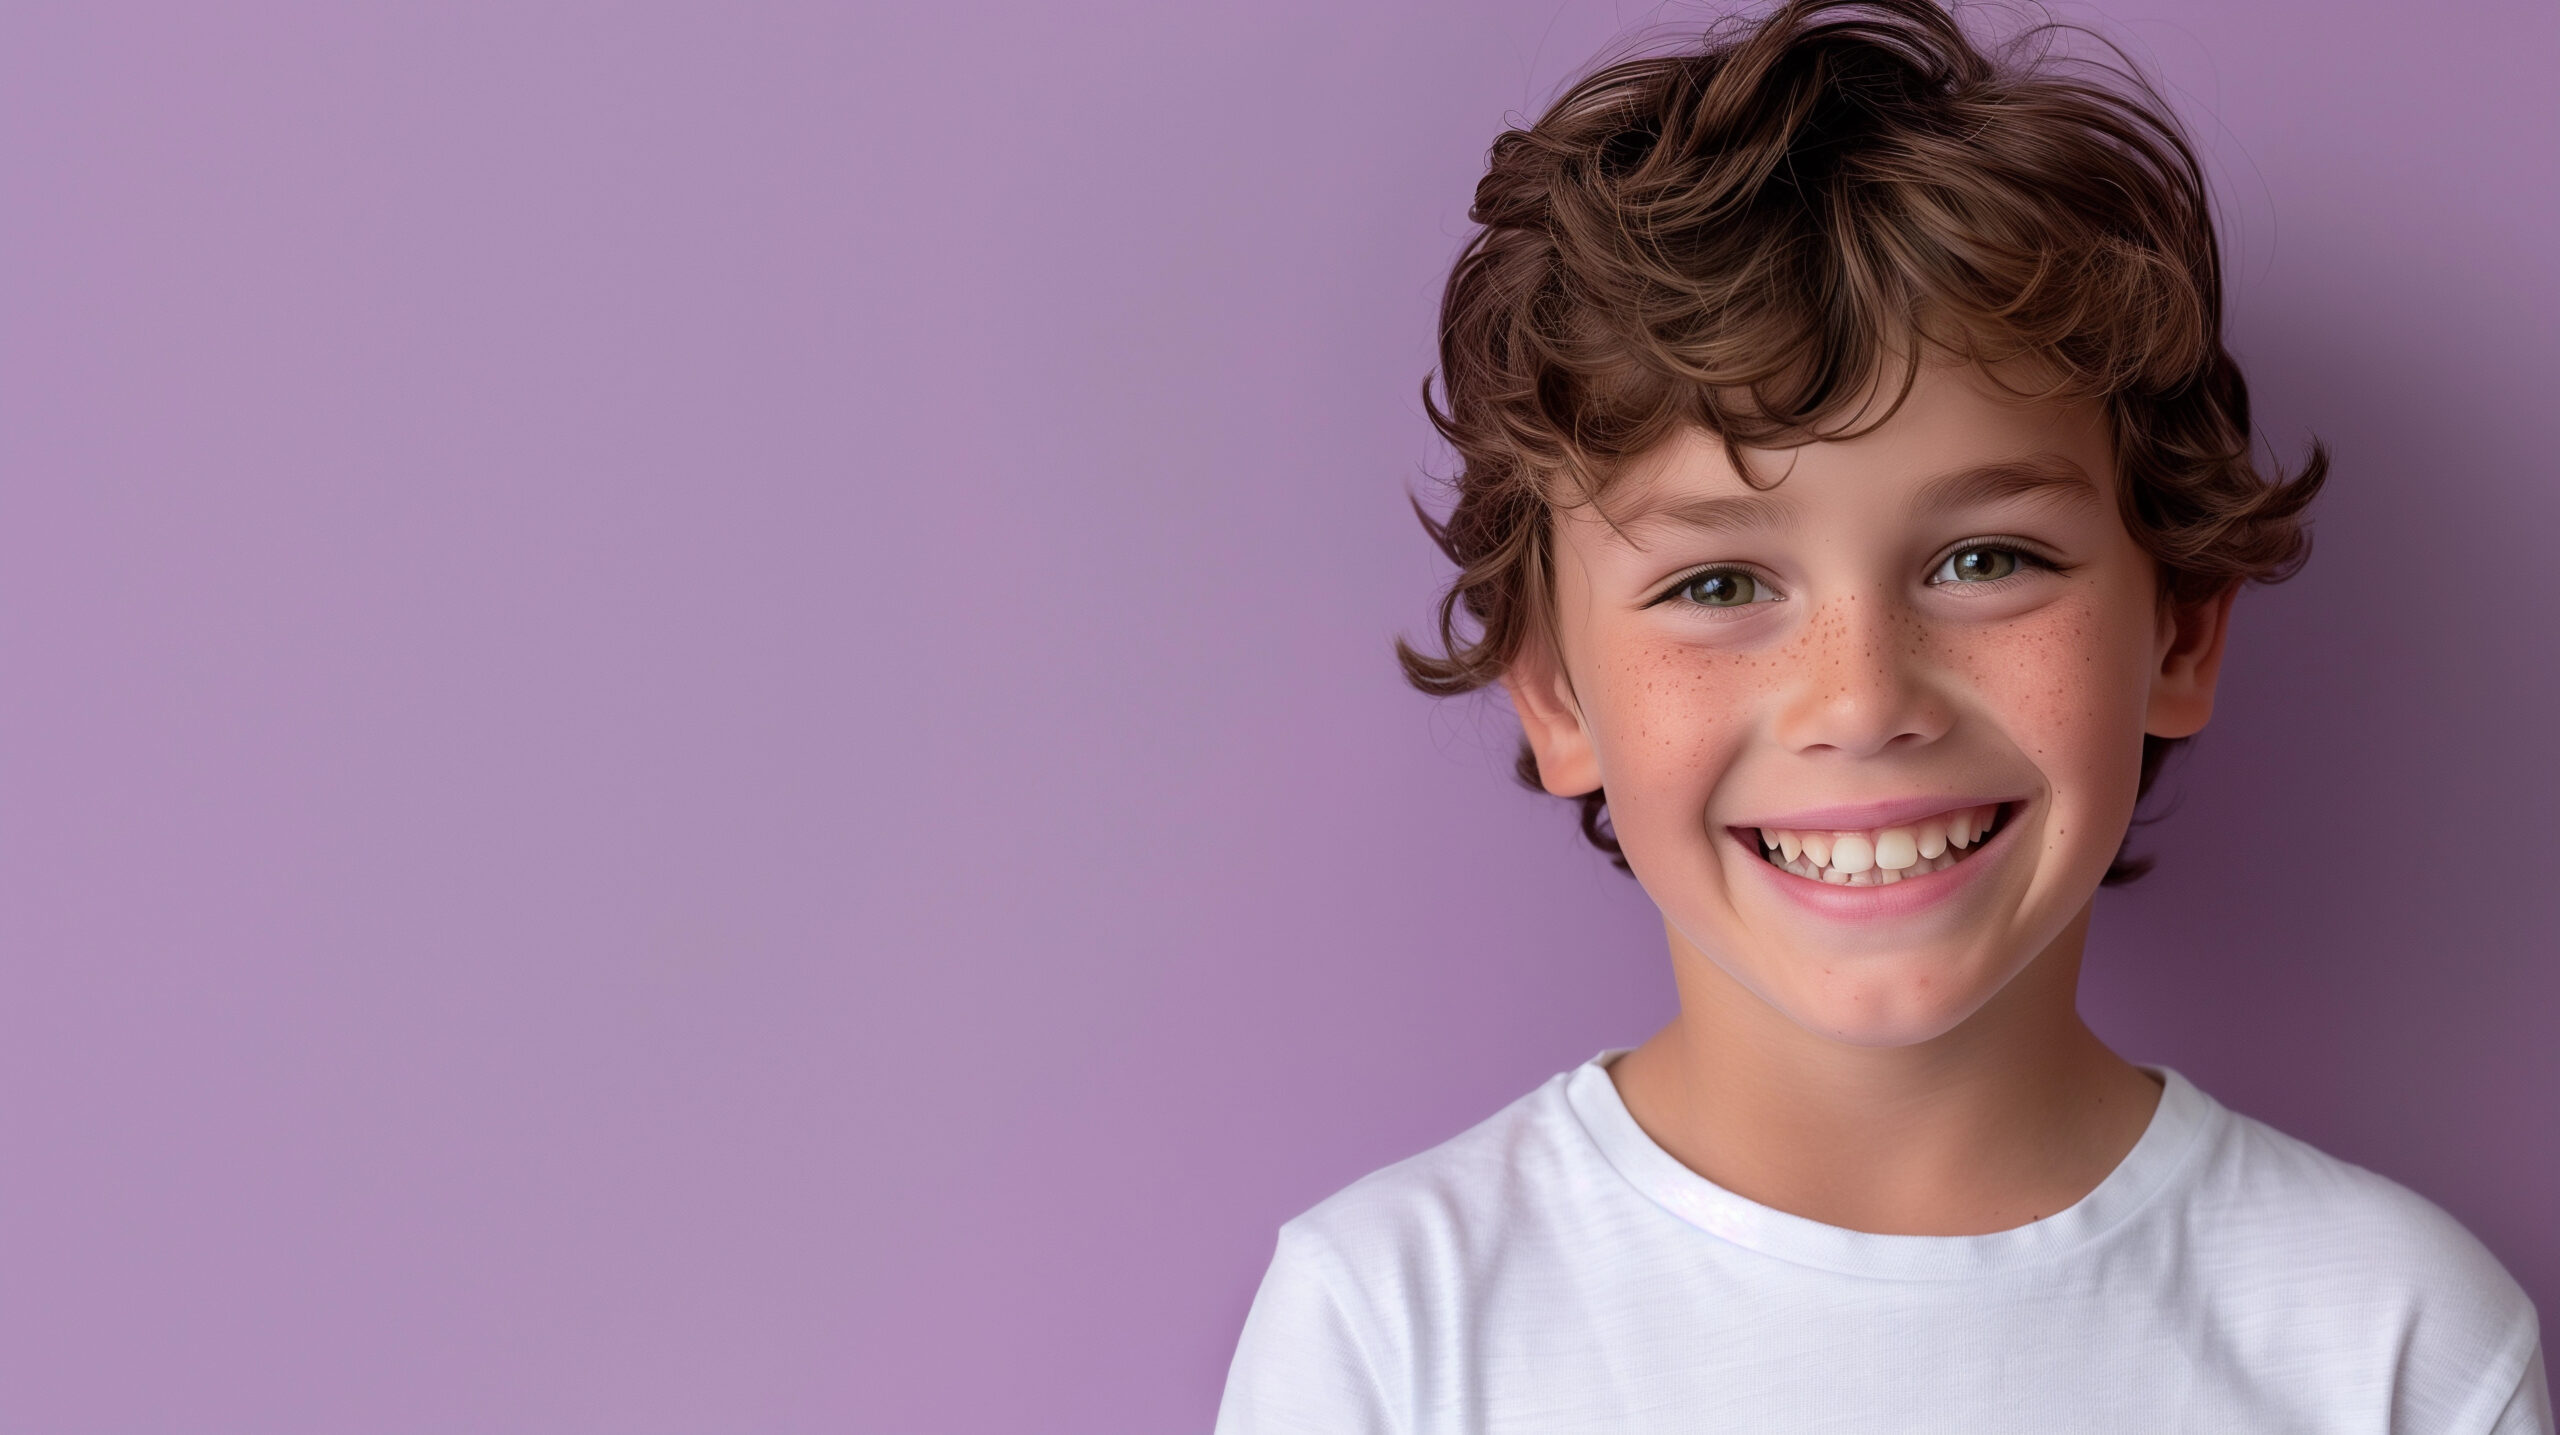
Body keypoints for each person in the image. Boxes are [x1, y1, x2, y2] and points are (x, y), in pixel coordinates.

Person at [1212, 1, 2551, 1430]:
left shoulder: (2392, 1344)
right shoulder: (1389, 1324)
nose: (1862, 701)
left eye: (1986, 561)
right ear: (1553, 694)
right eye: (1721, 581)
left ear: (2181, 630)